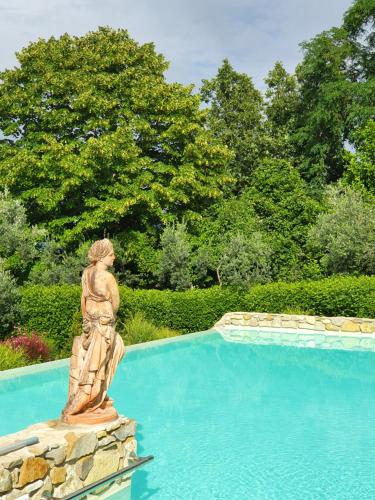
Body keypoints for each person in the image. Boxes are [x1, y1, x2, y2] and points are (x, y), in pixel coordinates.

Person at [61, 238, 125, 424]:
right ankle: (93, 399)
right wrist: (108, 318)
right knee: (101, 362)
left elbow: (83, 300)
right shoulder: (107, 277)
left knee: (98, 359)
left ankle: (99, 397)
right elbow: (116, 301)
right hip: (103, 326)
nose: (114, 257)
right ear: (103, 256)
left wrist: (87, 320)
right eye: (112, 254)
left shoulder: (86, 273)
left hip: (89, 324)